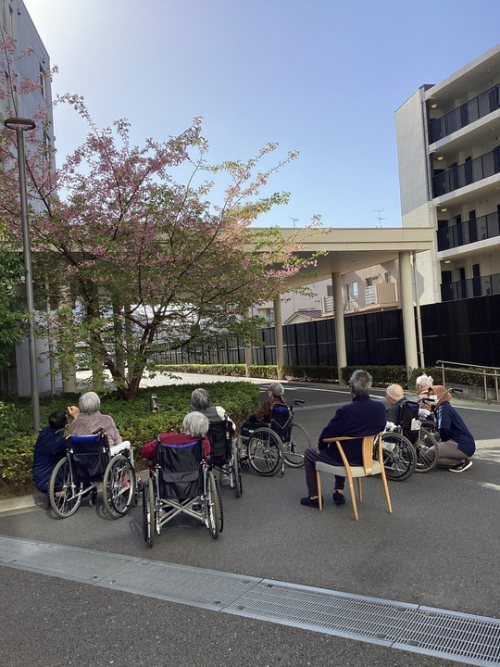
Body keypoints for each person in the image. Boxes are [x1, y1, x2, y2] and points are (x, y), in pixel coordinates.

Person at [301, 369, 386, 508]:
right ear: (369, 386)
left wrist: (321, 446)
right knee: (341, 446)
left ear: (351, 388)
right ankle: (338, 491)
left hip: (345, 459)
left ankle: (314, 496)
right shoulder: (380, 407)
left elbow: (328, 433)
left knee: (311, 453)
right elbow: (381, 427)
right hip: (366, 458)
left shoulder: (346, 411)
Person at [425, 385, 475, 472]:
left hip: (461, 444)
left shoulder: (443, 408)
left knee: (429, 454)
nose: (430, 397)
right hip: (457, 439)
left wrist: (441, 442)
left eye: (433, 394)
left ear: (440, 395)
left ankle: (460, 461)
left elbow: (443, 429)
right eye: (429, 394)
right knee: (429, 438)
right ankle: (448, 455)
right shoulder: (441, 407)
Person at [68, 391, 130, 456]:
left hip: (81, 458)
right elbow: (117, 440)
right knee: (126, 444)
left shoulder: (75, 422)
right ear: (98, 404)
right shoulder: (107, 419)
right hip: (105, 456)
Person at [141, 411, 211, 466]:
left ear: (184, 425)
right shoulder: (204, 442)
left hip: (167, 476)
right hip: (195, 476)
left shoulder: (164, 439)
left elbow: (145, 452)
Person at [32, 410, 69, 495]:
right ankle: (58, 494)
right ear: (65, 424)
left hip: (39, 477)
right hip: (48, 481)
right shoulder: (58, 443)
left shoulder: (45, 432)